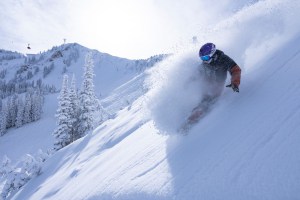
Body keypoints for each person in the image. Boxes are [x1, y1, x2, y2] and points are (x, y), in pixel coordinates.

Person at [187, 42, 241, 124]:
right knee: (204, 99)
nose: (204, 60)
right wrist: (189, 81)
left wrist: (235, 82)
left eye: (205, 58)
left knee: (210, 100)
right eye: (202, 58)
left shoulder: (224, 59)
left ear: (212, 54)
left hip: (217, 85)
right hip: (207, 83)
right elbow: (198, 72)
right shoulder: (205, 63)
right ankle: (193, 116)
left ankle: (200, 117)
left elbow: (236, 70)